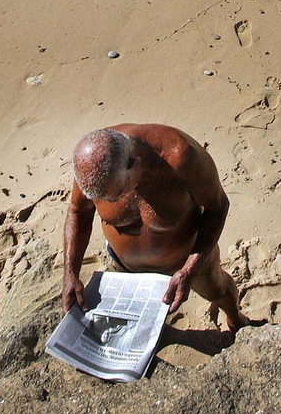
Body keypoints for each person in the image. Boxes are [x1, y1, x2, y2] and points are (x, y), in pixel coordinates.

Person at [61, 123, 248, 331]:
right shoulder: (90, 163)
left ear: (135, 165)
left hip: (186, 259)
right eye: (103, 199)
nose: (111, 203)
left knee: (218, 290)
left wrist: (189, 270)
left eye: (119, 193)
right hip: (124, 264)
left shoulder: (183, 158)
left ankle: (235, 319)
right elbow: (78, 211)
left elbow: (218, 206)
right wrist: (71, 273)